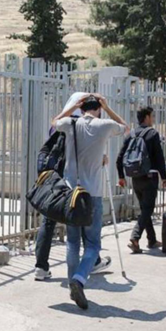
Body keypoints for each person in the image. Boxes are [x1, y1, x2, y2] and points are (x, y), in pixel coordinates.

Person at [54, 94, 128, 310]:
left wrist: (72, 109)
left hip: (71, 192)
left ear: (81, 108)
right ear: (99, 108)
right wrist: (108, 106)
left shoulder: (70, 123)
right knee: (93, 244)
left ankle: (72, 284)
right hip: (92, 193)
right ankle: (79, 279)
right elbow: (125, 127)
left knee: (72, 242)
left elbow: (54, 121)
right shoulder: (104, 125)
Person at [34, 93, 112, 281]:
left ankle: (41, 267)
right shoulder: (79, 124)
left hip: (54, 180)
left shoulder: (63, 122)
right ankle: (91, 263)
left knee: (49, 220)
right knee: (83, 219)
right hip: (73, 180)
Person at [116, 106, 166, 253]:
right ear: (146, 117)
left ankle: (152, 239)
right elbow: (159, 157)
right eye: (152, 116)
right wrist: (164, 177)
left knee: (145, 208)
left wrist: (121, 176)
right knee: (148, 209)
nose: (153, 119)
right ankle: (135, 237)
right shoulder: (153, 134)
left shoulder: (131, 134)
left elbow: (119, 157)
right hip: (150, 177)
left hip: (135, 177)